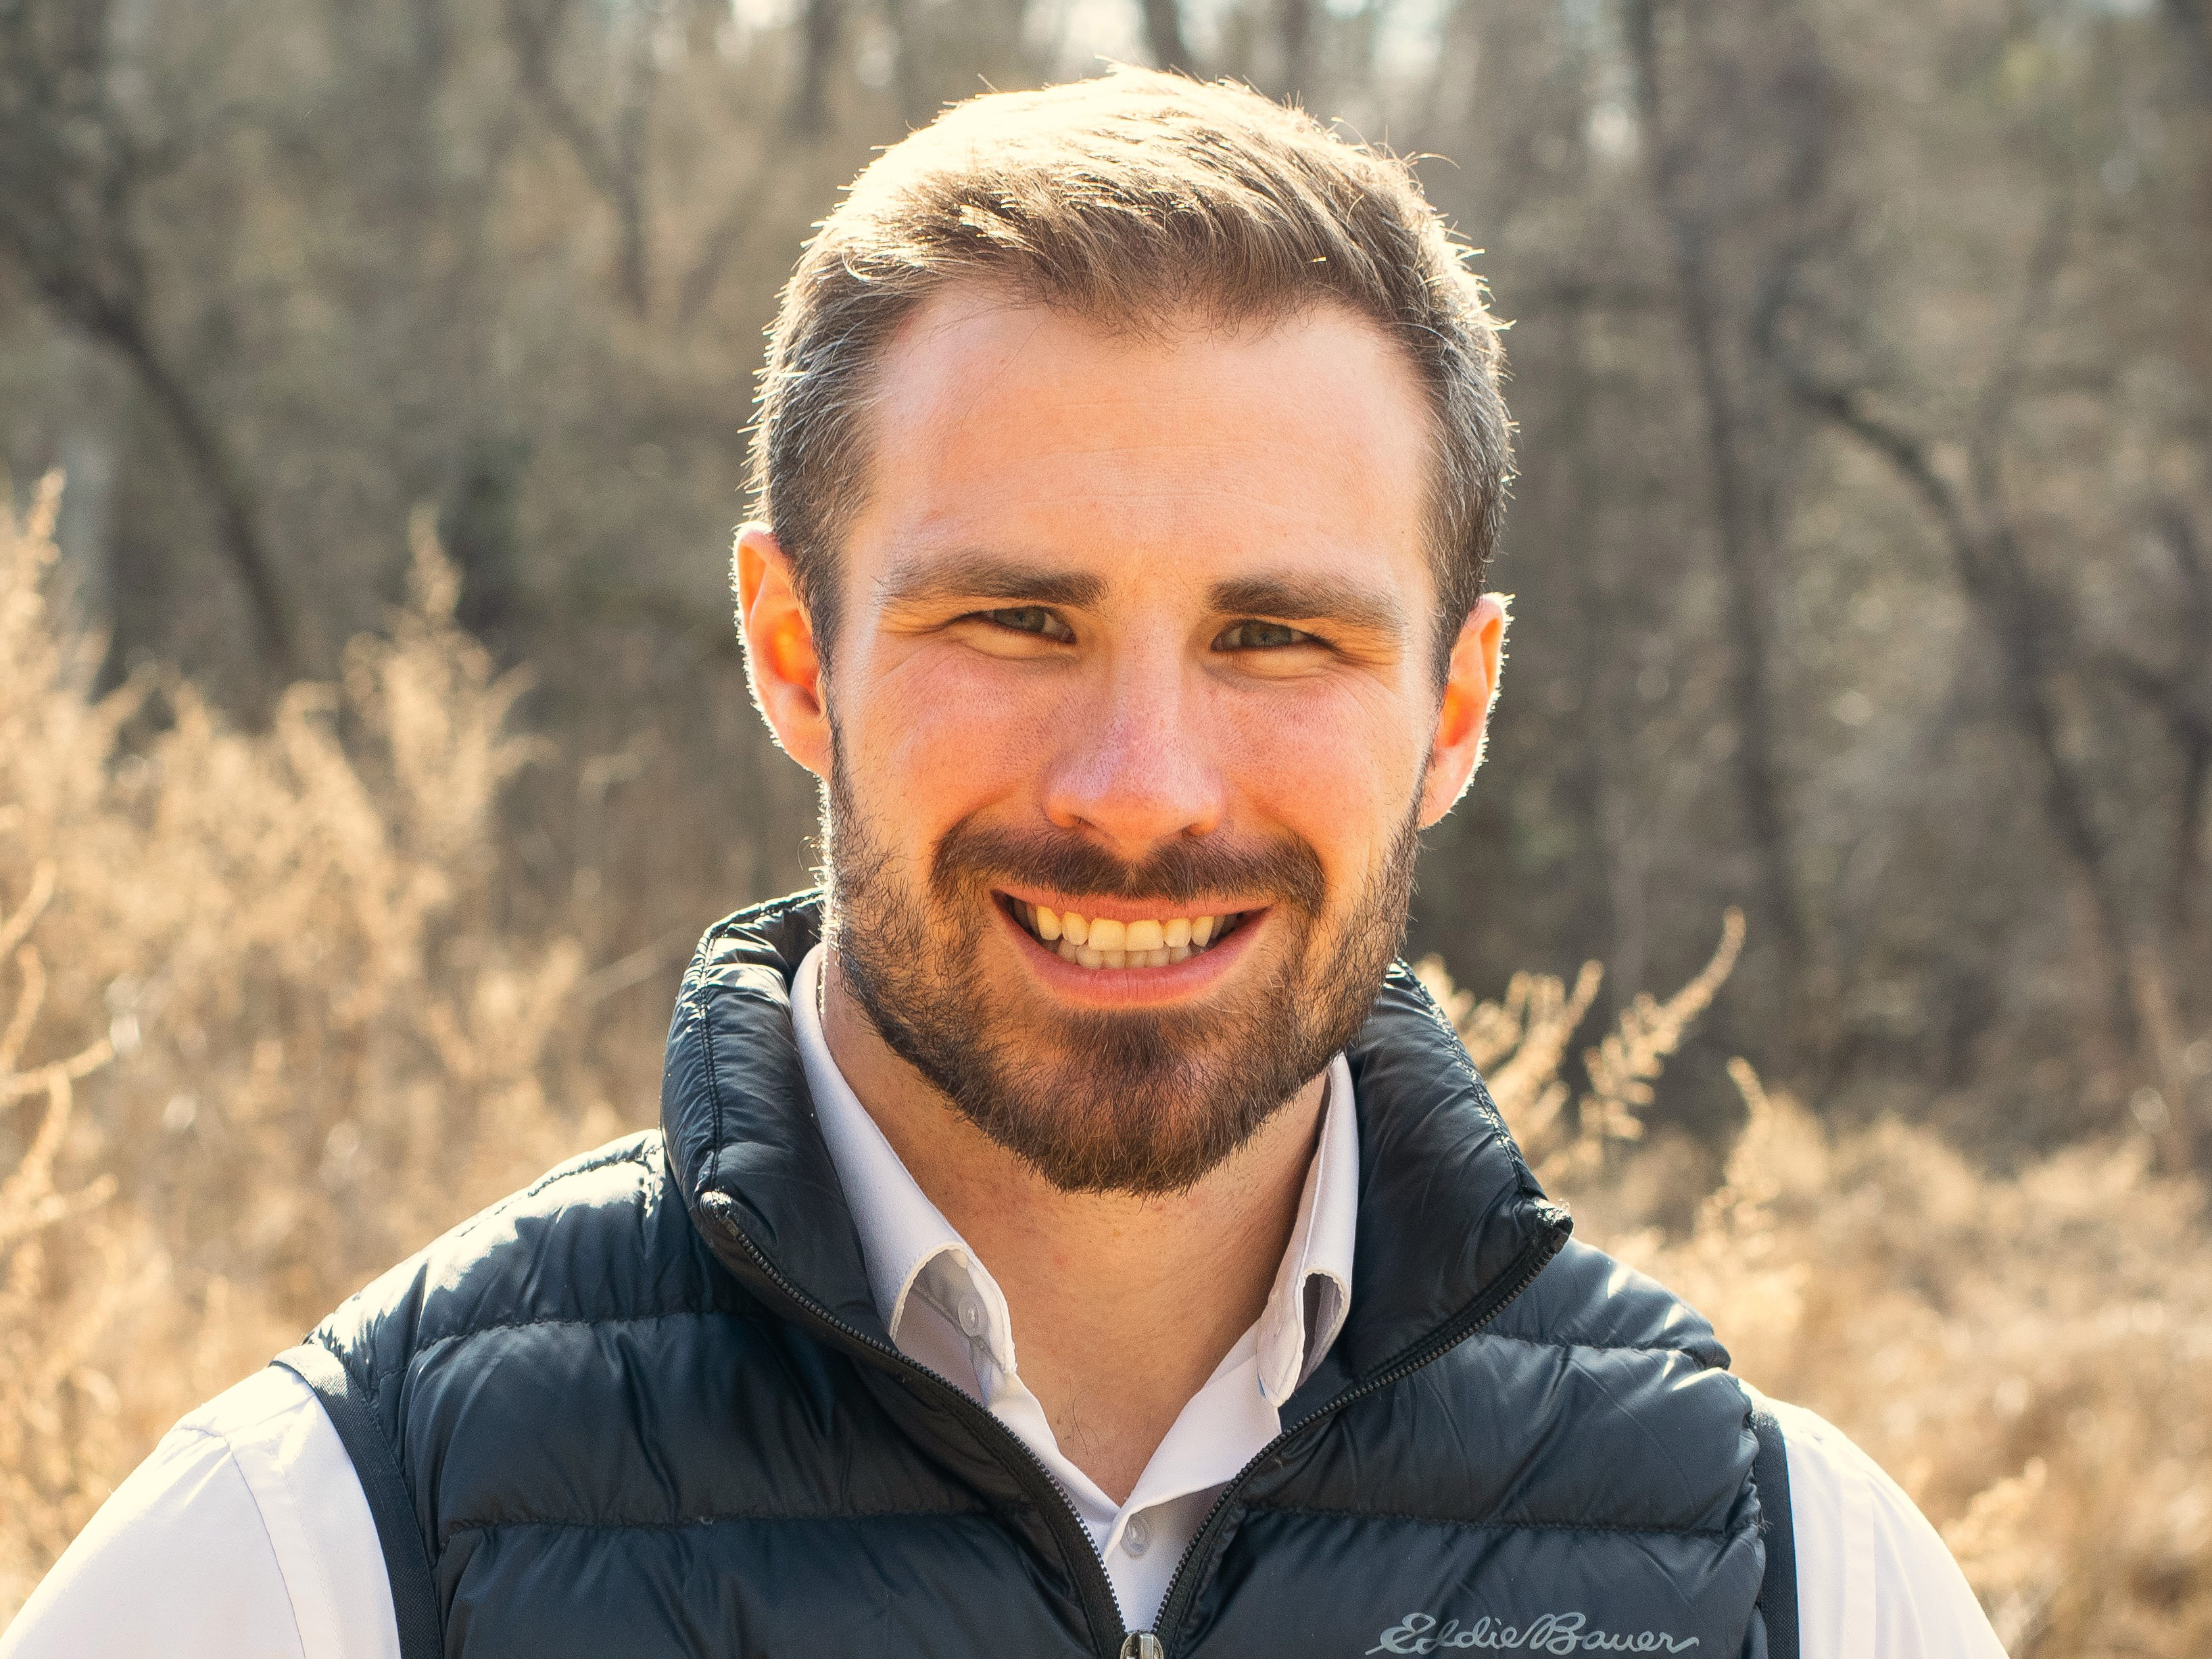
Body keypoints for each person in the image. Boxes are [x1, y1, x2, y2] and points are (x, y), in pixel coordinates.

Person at [1, 68, 2006, 1659]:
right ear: (796, 650)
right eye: (1019, 622)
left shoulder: (1790, 1586)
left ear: (1457, 710)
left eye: (1276, 636)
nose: (1142, 789)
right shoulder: (325, 1561)